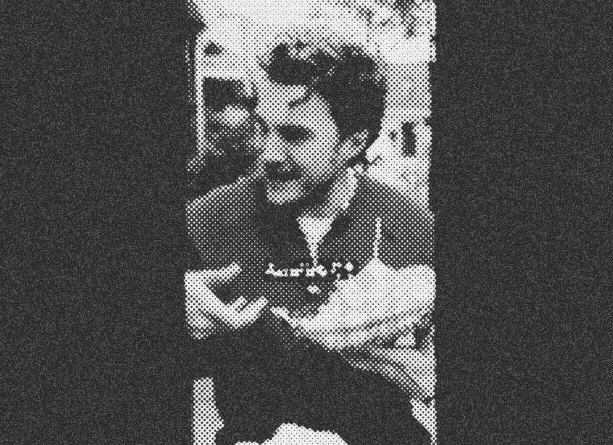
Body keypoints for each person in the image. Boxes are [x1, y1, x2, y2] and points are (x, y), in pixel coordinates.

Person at [186, 35, 434, 445]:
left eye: (294, 135)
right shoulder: (208, 219)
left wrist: (430, 370)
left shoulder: (410, 225)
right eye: (264, 128)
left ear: (352, 143)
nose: (269, 153)